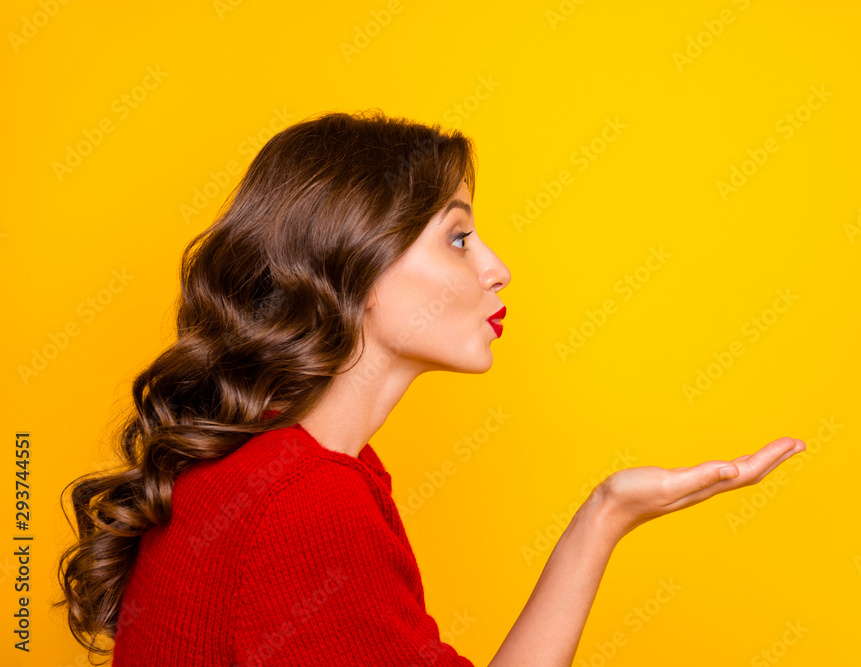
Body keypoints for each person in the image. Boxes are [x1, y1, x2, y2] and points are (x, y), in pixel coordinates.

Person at [54, 109, 805, 666]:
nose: (497, 268)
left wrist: (606, 516)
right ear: (354, 268)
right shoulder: (304, 502)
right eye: (457, 237)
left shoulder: (303, 469)